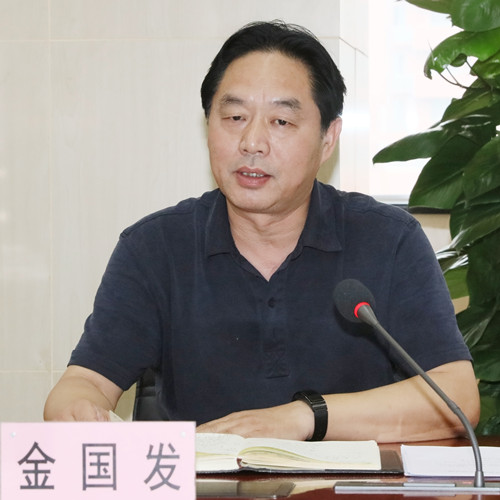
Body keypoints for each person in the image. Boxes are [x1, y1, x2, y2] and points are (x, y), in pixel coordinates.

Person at [44, 20, 480, 443]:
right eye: (234, 117)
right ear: (208, 126)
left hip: (350, 485)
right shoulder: (155, 248)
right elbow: (84, 383)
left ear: (328, 138)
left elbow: (457, 398)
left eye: (281, 122)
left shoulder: (389, 240)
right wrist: (78, 411)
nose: (252, 142)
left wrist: (303, 417)